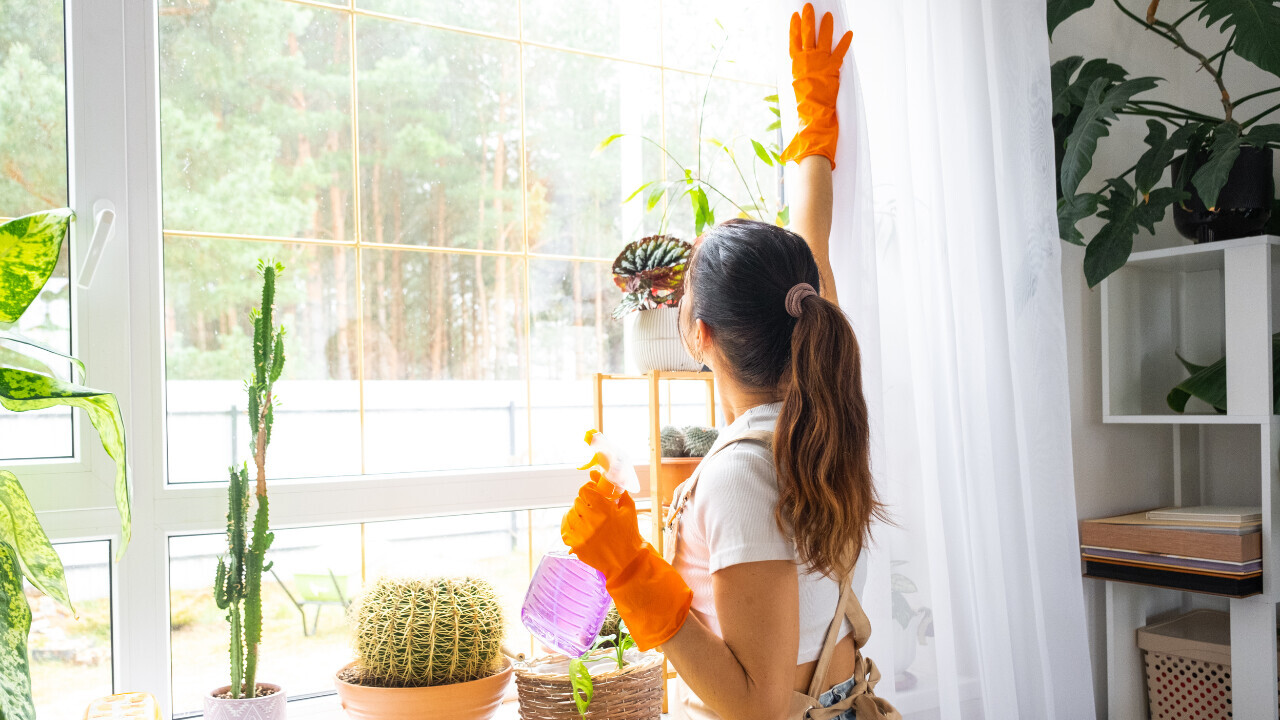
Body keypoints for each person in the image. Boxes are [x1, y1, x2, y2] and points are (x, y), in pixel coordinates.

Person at [561, 5, 899, 720]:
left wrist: (630, 568)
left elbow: (759, 706)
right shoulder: (818, 416)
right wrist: (815, 120)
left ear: (700, 335)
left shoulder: (744, 475)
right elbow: (812, 240)